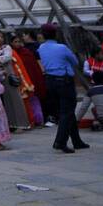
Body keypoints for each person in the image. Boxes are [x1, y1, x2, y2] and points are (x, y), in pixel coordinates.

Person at [38, 24, 90, 154]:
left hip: (50, 80)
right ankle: (60, 141)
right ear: (56, 35)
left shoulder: (41, 47)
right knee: (67, 112)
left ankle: (76, 140)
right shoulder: (62, 48)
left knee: (67, 111)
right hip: (64, 80)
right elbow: (75, 62)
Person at [0, 31, 29, 132]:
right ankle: (1, 127)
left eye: (1, 37)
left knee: (13, 98)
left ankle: (19, 124)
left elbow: (7, 57)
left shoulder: (7, 48)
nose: (0, 39)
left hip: (7, 75)